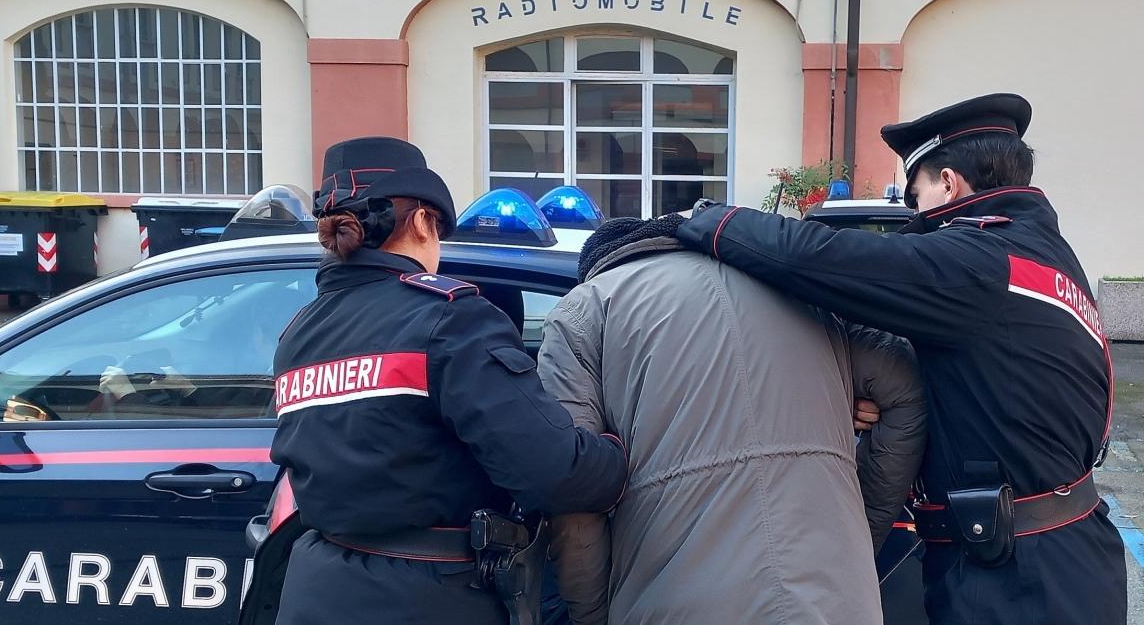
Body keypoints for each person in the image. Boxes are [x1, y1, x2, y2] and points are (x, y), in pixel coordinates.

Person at [676, 93, 1126, 624]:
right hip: (1069, 558)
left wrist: (705, 221)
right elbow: (1006, 379)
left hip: (1015, 584)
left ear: (950, 184)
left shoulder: (974, 263)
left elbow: (820, 259)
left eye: (917, 197)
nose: (916, 213)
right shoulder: (1043, 254)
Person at [268, 137, 628, 625]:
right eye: (437, 228)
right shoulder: (449, 320)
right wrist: (615, 451)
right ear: (421, 221)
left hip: (315, 593)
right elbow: (555, 473)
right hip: (426, 597)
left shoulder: (298, 332)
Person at [538, 214, 926, 624]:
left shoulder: (584, 311)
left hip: (676, 604)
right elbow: (906, 386)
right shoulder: (794, 289)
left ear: (599, 267)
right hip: (835, 603)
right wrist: (860, 532)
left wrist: (593, 612)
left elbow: (572, 489)